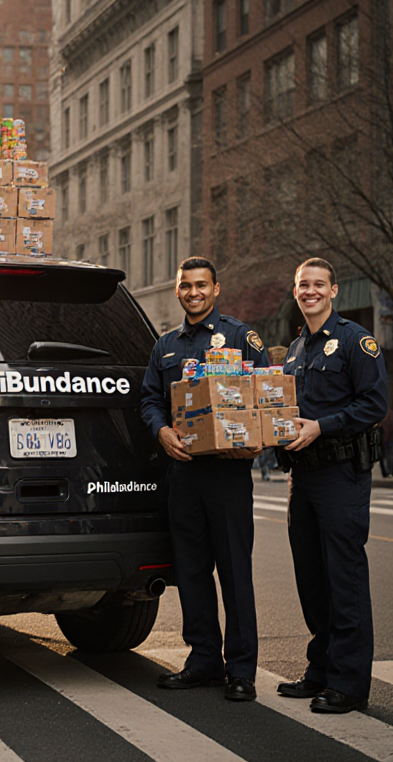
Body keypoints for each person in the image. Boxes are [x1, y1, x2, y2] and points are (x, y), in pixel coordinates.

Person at [140, 256, 268, 703]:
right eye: (186, 286)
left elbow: (265, 392)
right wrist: (161, 431)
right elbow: (150, 399)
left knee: (234, 572)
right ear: (177, 291)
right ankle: (203, 662)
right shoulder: (166, 347)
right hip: (185, 474)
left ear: (216, 289)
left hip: (228, 475)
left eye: (201, 286)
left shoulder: (238, 336)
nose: (193, 292)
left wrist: (255, 439)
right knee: (191, 571)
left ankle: (242, 670)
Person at [275, 258, 387, 715]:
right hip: (302, 477)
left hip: (342, 476)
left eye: (319, 285)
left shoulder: (356, 342)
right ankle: (320, 669)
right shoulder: (296, 348)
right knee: (312, 580)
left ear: (334, 290)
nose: (310, 292)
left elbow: (374, 404)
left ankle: (349, 684)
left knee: (344, 581)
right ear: (296, 290)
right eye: (304, 285)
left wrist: (323, 426)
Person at [378, 408, 393, 478]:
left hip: (385, 438)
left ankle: (386, 471)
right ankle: (390, 471)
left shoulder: (385, 416)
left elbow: (382, 427)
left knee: (386, 455)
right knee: (391, 455)